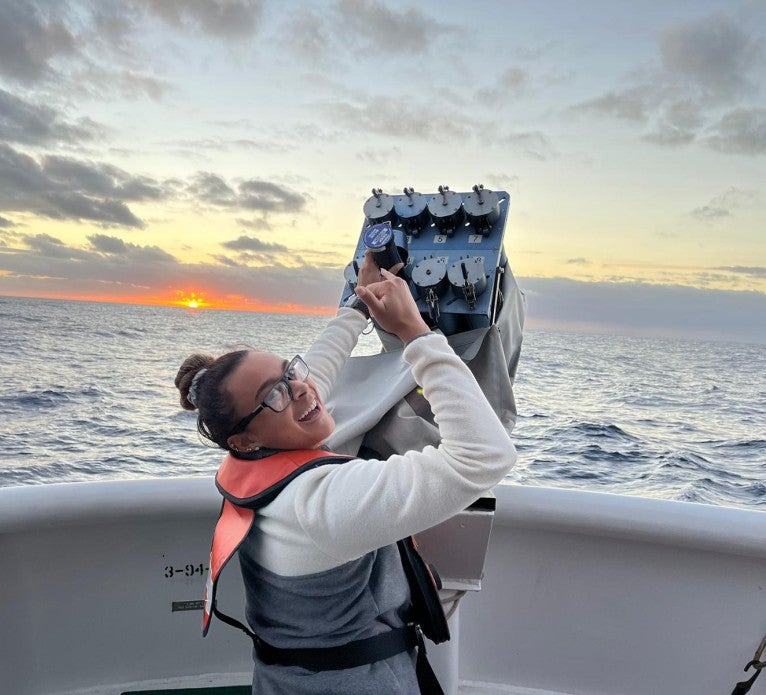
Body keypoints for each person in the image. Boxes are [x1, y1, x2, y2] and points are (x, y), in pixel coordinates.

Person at [175, 253, 516, 694]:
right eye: (276, 394)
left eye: (290, 372)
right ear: (244, 439)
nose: (301, 389)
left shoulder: (255, 464)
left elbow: (314, 372)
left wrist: (355, 309)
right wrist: (416, 332)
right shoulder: (324, 504)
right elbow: (484, 456)